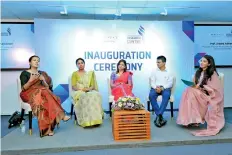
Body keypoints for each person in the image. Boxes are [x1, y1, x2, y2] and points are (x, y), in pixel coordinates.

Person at [20, 55, 70, 137]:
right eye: (34, 60)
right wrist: (30, 81)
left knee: (44, 101)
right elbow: (23, 88)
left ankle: (47, 130)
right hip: (29, 93)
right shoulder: (25, 73)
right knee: (45, 93)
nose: (36, 62)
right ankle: (61, 115)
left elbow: (47, 87)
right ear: (30, 62)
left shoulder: (41, 73)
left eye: (38, 60)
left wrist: (43, 80)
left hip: (42, 92)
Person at [177, 55, 224, 136]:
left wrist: (201, 87)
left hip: (208, 95)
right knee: (188, 90)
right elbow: (194, 84)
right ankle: (191, 119)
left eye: (204, 61)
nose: (201, 63)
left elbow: (214, 89)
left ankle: (194, 119)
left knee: (190, 91)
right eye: (201, 61)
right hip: (197, 93)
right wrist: (194, 85)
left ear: (209, 64)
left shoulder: (212, 74)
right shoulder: (198, 72)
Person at [71, 58, 103, 127]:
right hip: (79, 91)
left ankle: (95, 119)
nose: (80, 64)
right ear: (76, 65)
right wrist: (82, 89)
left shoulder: (89, 74)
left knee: (96, 95)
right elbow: (73, 86)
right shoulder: (74, 74)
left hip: (88, 90)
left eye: (82, 63)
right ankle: (86, 121)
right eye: (78, 63)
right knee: (84, 96)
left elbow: (92, 86)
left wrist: (88, 89)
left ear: (84, 64)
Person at [149, 56, 173, 128]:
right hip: (155, 88)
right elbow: (152, 82)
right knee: (151, 95)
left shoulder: (169, 72)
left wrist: (162, 88)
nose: (157, 64)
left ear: (164, 63)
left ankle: (158, 116)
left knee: (166, 96)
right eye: (157, 62)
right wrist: (156, 87)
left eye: (159, 62)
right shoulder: (154, 71)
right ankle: (160, 116)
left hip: (165, 88)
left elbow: (170, 83)